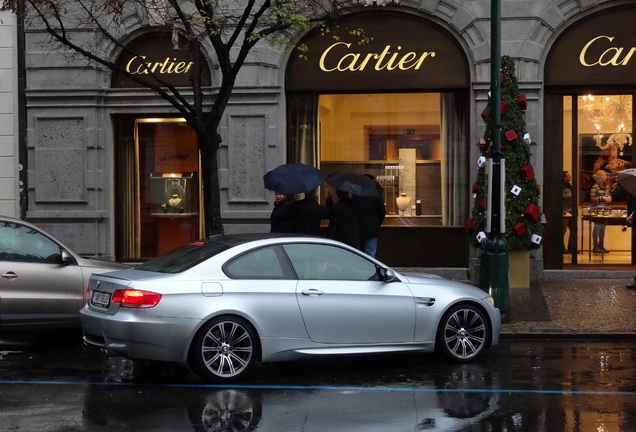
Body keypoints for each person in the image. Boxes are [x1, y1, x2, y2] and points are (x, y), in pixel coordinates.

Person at [353, 174, 386, 257]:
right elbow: (382, 212)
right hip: (372, 228)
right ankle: (370, 270)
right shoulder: (376, 194)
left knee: (358, 254)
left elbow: (352, 210)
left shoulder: (356, 194)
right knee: (370, 255)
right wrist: (377, 224)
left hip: (358, 229)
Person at [590, 170, 612, 254]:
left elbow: (608, 196)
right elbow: (592, 200)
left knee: (603, 228)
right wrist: (602, 198)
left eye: (606, 175)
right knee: (597, 228)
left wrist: (609, 198)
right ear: (599, 177)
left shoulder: (607, 186)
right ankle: (595, 246)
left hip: (605, 209)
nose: (606, 177)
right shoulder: (594, 187)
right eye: (604, 176)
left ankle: (601, 245)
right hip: (597, 209)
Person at [562, 171, 574, 253]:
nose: (570, 176)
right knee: (563, 230)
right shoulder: (561, 187)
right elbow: (562, 199)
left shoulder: (570, 186)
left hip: (571, 210)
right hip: (564, 211)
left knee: (573, 230)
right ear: (564, 177)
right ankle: (561, 248)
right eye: (568, 175)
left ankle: (571, 248)